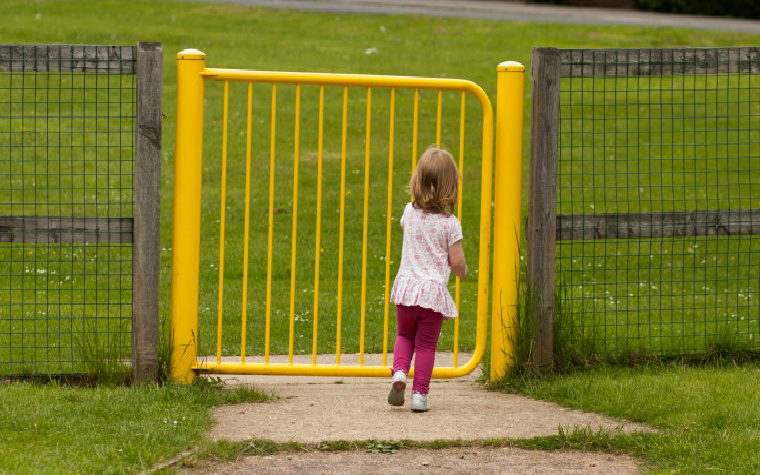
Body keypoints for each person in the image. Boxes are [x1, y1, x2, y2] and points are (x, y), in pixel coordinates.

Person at [387, 146, 468, 413]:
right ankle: (420, 395)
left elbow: (407, 228)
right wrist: (463, 273)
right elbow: (456, 263)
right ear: (450, 186)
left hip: (406, 291)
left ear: (418, 181)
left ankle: (399, 372)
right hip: (431, 296)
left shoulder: (409, 213)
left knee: (403, 334)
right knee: (425, 346)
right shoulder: (450, 224)